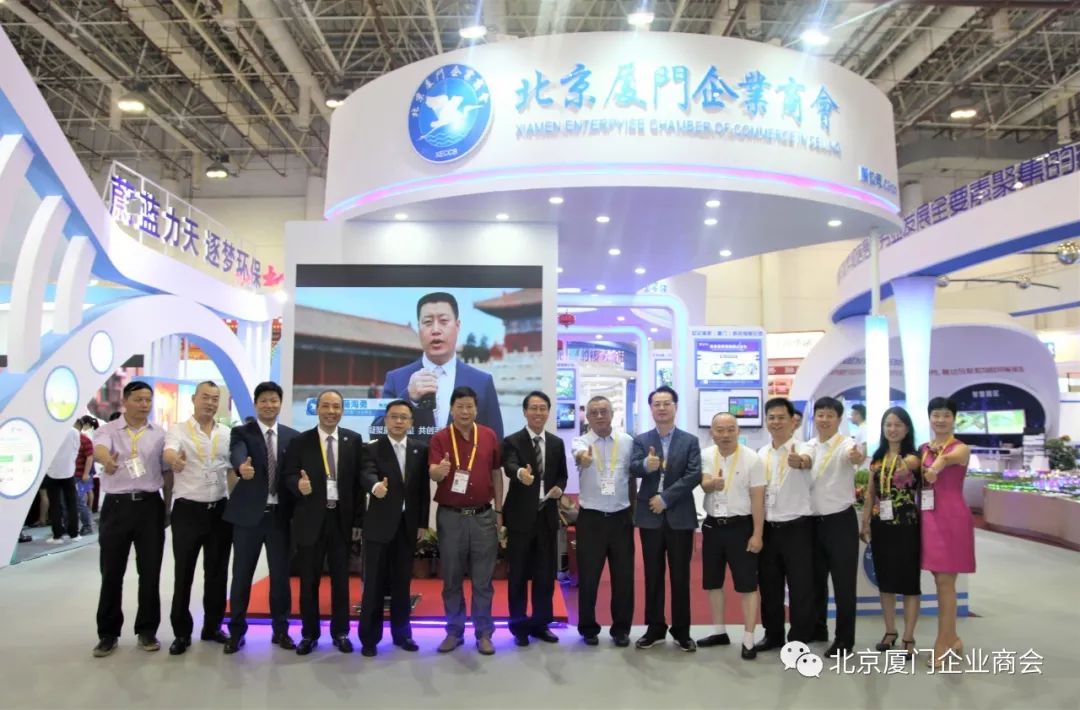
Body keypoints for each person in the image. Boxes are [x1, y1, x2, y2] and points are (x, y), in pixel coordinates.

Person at [283, 389, 366, 656]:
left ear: (342, 410)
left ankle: (341, 633)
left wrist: (358, 521)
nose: (331, 411)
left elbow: (358, 485)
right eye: (326, 406)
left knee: (341, 581)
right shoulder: (300, 441)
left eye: (336, 406)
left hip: (341, 520)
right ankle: (309, 634)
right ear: (316, 409)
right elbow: (288, 474)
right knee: (309, 580)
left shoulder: (353, 440)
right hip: (311, 520)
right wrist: (298, 485)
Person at [91, 381, 171, 657]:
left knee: (150, 572)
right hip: (117, 506)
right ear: (125, 401)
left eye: (148, 399)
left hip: (150, 506)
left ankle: (147, 630)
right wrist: (107, 461)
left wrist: (168, 507)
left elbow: (167, 472)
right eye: (138, 399)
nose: (144, 404)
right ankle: (108, 634)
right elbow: (99, 449)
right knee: (111, 573)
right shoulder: (108, 430)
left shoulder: (159, 434)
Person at [224, 381, 300, 654]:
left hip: (280, 518)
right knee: (242, 575)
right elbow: (237, 454)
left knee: (280, 578)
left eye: (274, 400)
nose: (269, 405)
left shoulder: (292, 436)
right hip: (249, 518)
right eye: (264, 400)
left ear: (280, 404)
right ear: (256, 404)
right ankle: (236, 632)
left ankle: (281, 630)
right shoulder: (242, 432)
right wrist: (240, 467)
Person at [428, 386, 504, 656]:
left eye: (469, 406)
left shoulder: (489, 435)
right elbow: (433, 474)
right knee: (451, 578)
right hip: (451, 518)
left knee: (483, 580)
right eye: (460, 406)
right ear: (451, 409)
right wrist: (439, 471)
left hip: (483, 516)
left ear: (476, 409)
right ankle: (454, 631)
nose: (465, 411)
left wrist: (499, 511)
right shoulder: (439, 438)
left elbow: (496, 473)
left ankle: (484, 633)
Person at [162, 381, 233, 655]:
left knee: (217, 573)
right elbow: (169, 451)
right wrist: (174, 460)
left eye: (215, 398)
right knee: (184, 574)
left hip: (219, 511)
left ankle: (213, 626)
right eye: (205, 397)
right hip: (188, 511)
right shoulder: (178, 430)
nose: (210, 403)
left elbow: (231, 470)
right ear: (194, 399)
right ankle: (181, 633)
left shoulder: (226, 433)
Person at [630, 386, 702, 652]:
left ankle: (682, 631)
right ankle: (655, 628)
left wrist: (666, 498)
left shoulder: (689, 440)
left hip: (679, 516)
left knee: (681, 576)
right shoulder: (641, 440)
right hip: (649, 517)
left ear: (675, 407)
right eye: (656, 404)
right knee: (652, 575)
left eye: (666, 403)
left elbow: (694, 474)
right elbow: (632, 467)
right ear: (650, 408)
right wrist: (644, 465)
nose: (661, 408)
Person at [359, 400, 430, 657]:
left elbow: (423, 490)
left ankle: (402, 635)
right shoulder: (372, 448)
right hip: (379, 526)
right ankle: (369, 638)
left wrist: (422, 523)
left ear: (411, 422)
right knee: (374, 584)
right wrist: (375, 487)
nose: (399, 421)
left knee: (402, 583)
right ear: (386, 420)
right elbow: (366, 474)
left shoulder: (420, 449)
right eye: (394, 417)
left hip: (407, 526)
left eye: (404, 417)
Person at [381, 292, 503, 439]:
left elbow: (496, 441)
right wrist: (408, 398)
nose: (436, 330)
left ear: (457, 326)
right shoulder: (395, 379)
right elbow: (376, 434)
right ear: (419, 328)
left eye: (444, 321)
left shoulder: (482, 382)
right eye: (428, 322)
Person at [502, 391, 568, 646]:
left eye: (543, 408)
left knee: (545, 575)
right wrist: (521, 473)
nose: (538, 413)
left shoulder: (556, 443)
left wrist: (559, 488)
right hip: (520, 518)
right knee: (518, 575)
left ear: (548, 412)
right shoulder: (512, 441)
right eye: (533, 408)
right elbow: (509, 465)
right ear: (525, 412)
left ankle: (541, 624)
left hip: (546, 517)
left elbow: (562, 475)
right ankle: (518, 627)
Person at [697, 412, 765, 660]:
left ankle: (748, 638)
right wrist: (709, 485)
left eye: (730, 429)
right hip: (713, 526)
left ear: (738, 431)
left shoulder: (752, 459)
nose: (725, 435)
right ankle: (719, 631)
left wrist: (757, 534)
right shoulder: (706, 455)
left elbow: (758, 500)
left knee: (747, 585)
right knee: (713, 582)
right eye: (719, 430)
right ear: (712, 432)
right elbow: (703, 483)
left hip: (741, 527)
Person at [571, 396, 635, 647]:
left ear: (612, 414)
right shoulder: (581, 442)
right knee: (588, 577)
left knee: (623, 577)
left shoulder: (627, 441)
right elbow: (578, 455)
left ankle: (621, 629)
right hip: (592, 519)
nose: (599, 416)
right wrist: (583, 458)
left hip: (620, 518)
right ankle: (588, 628)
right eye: (594, 412)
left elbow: (634, 473)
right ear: (587, 417)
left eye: (604, 411)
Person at [859, 406, 922, 659]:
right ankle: (890, 631)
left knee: (909, 583)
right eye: (888, 425)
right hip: (881, 526)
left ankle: (908, 636)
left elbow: (912, 466)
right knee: (885, 581)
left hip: (907, 526)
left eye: (897, 425)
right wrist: (865, 522)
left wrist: (906, 465)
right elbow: (870, 494)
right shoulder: (876, 459)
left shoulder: (913, 458)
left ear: (906, 429)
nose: (892, 429)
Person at [805, 397, 865, 657]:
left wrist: (856, 456)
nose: (824, 419)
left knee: (843, 584)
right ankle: (818, 628)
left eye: (830, 415)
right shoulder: (809, 446)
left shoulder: (846, 444)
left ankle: (844, 640)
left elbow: (855, 456)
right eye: (820, 414)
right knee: (815, 581)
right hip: (812, 523)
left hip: (840, 522)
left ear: (839, 419)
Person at [754, 397, 814, 652]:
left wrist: (800, 462)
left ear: (793, 421)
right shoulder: (761, 454)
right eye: (771, 418)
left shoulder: (806, 448)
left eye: (781, 417)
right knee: (769, 585)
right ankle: (773, 634)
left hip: (797, 527)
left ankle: (799, 636)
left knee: (800, 585)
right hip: (769, 528)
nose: (776, 422)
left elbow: (807, 461)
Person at [920, 397, 975, 669]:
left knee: (945, 581)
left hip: (952, 519)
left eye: (946, 415)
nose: (940, 420)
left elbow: (952, 459)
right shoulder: (923, 448)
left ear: (954, 418)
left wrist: (937, 464)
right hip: (928, 518)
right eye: (936, 415)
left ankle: (942, 643)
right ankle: (952, 638)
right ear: (929, 418)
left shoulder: (960, 448)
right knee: (939, 579)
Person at [43, 422, 85, 544]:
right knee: (72, 504)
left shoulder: (49, 431)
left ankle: (57, 536)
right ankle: (74, 534)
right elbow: (76, 449)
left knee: (55, 505)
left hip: (53, 472)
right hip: (69, 472)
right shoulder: (74, 432)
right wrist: (70, 462)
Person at [75, 416, 99, 536]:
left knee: (81, 500)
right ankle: (72, 526)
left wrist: (86, 473)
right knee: (72, 501)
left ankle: (87, 525)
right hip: (70, 475)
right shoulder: (70, 438)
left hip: (81, 475)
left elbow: (90, 457)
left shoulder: (85, 439)